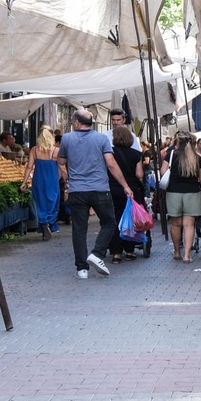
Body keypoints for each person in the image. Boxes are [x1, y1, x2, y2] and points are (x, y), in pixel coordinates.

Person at [57, 109, 133, 279]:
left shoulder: (67, 139)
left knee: (79, 229)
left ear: (77, 122)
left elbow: (61, 161)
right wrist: (125, 185)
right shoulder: (101, 138)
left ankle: (82, 269)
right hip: (100, 189)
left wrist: (70, 167)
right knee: (109, 222)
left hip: (77, 190)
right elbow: (111, 164)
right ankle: (97, 253)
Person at [161, 131, 201, 263]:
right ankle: (187, 255)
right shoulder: (197, 158)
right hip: (192, 193)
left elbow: (163, 172)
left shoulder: (171, 155)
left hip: (173, 192)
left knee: (176, 224)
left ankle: (177, 252)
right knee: (189, 225)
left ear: (177, 141)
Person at [108, 126, 145, 263]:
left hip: (113, 189)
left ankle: (116, 253)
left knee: (114, 220)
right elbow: (139, 174)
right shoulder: (136, 154)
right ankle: (130, 250)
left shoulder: (109, 153)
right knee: (130, 219)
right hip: (132, 190)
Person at [23, 125, 61, 240]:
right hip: (52, 181)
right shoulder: (56, 151)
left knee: (40, 203)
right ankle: (48, 222)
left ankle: (44, 223)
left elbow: (29, 167)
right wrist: (67, 180)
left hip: (38, 180)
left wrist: (24, 182)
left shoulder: (34, 150)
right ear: (52, 136)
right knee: (53, 203)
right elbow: (62, 167)